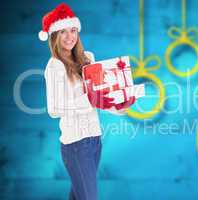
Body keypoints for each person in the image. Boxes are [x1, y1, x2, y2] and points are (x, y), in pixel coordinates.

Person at [40, 3, 135, 200]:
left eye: (73, 30)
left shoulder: (88, 59)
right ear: (54, 36)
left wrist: (120, 106)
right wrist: (88, 99)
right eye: (63, 32)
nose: (69, 37)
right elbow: (54, 109)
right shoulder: (55, 66)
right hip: (75, 144)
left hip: (94, 140)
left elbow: (100, 97)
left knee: (78, 196)